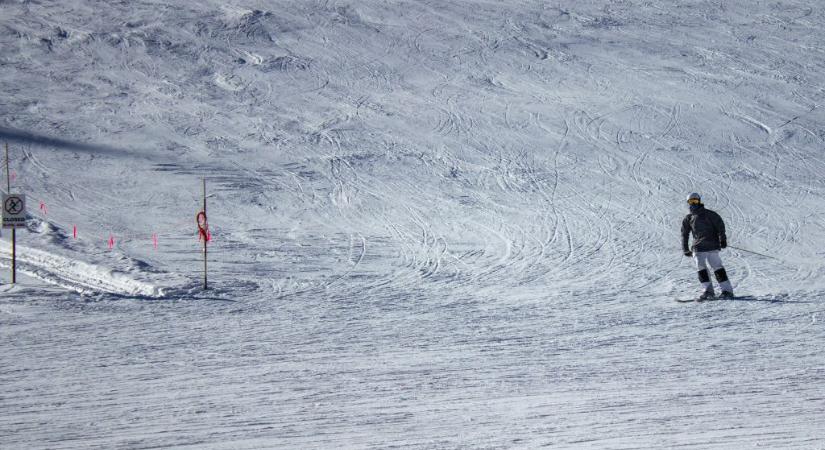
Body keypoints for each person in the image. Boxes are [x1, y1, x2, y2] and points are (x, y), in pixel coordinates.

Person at [681, 193, 733, 299]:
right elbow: (684, 234)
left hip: (712, 246)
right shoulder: (689, 218)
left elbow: (720, 227)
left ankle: (727, 291)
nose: (694, 204)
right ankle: (708, 291)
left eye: (695, 201)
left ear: (699, 201)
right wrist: (685, 248)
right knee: (701, 269)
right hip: (698, 247)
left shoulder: (710, 214)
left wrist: (722, 240)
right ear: (688, 203)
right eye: (691, 202)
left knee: (717, 268)